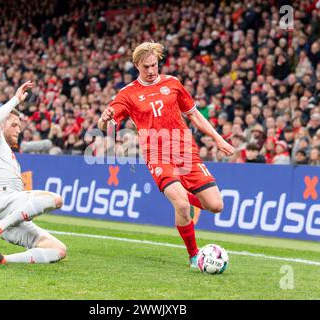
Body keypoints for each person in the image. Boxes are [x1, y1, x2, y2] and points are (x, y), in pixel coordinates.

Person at [98, 42, 234, 269]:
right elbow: (107, 127)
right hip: (157, 154)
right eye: (145, 67)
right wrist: (103, 119)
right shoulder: (128, 94)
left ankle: (193, 200)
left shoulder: (173, 83)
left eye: (154, 65)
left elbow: (194, 115)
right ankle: (194, 256)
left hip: (185, 151)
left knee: (216, 205)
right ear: (136, 66)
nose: (151, 71)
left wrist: (218, 138)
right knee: (181, 205)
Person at [0, 81, 67, 265]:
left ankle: (2, 259)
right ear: (3, 125)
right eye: (14, 124)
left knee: (58, 249)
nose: (19, 130)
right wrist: (15, 100)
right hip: (2, 201)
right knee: (56, 199)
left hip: (6, 214)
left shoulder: (12, 159)